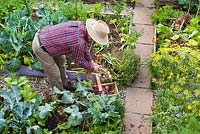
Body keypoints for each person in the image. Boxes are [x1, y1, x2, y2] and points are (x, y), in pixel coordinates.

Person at [32, 18, 110, 90]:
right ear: (91, 35)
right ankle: (59, 93)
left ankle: (65, 84)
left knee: (61, 60)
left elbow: (84, 48)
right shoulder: (78, 42)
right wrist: (92, 68)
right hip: (41, 46)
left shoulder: (81, 25)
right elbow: (80, 61)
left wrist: (91, 62)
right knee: (54, 74)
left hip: (50, 39)